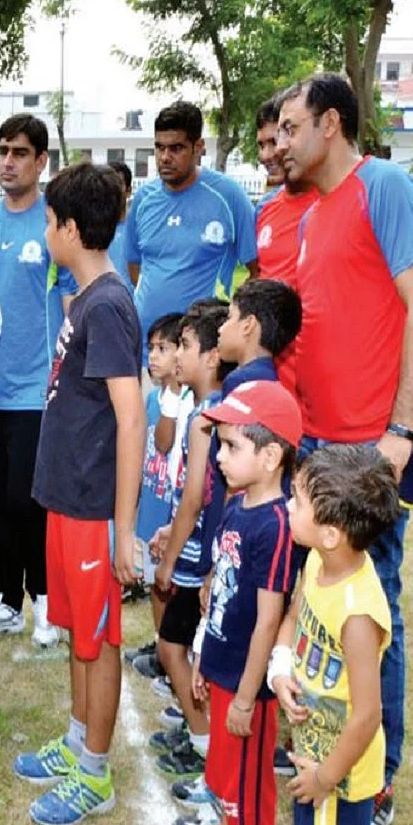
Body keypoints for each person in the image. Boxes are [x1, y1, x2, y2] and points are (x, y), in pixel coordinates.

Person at [277, 72, 413, 825]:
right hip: (321, 443)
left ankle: (375, 784)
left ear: (331, 125)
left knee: (376, 617)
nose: (280, 141)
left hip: (374, 447)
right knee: (321, 605)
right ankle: (322, 739)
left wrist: (400, 430)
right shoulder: (312, 215)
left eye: (291, 127)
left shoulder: (387, 187)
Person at [13, 161, 143, 825]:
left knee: (99, 638)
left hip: (95, 509)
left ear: (68, 227)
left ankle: (95, 772)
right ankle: (75, 742)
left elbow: (130, 415)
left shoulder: (112, 304)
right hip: (66, 498)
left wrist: (123, 527)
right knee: (76, 634)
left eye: (47, 219)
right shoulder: (86, 298)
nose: (44, 230)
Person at [177, 381, 303, 825]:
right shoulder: (236, 503)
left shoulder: (275, 525)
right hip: (223, 673)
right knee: (227, 780)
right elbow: (220, 590)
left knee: (251, 793)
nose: (220, 457)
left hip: (247, 688)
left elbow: (269, 619)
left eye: (232, 446)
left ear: (271, 456)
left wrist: (249, 698)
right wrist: (203, 662)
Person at [271, 443, 402, 825]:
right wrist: (281, 668)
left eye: (298, 501)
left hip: (339, 780)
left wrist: (326, 779)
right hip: (313, 756)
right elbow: (293, 617)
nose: (288, 504)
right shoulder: (315, 561)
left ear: (331, 533)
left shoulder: (358, 614)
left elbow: (367, 715)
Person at [0, 113, 75, 649]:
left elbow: (74, 302)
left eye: (19, 152)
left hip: (37, 389)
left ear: (41, 162)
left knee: (26, 501)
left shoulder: (55, 223)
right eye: (2, 151)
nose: (8, 161)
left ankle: (44, 600)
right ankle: (6, 597)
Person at [150, 302, 232, 778]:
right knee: (181, 647)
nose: (177, 354)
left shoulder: (207, 417)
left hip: (200, 555)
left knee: (173, 647)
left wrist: (171, 555)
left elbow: (195, 496)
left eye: (184, 345)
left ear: (212, 357)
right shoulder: (203, 409)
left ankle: (205, 745)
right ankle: (198, 729)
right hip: (197, 546)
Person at [124, 101, 259, 370]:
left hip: (204, 355)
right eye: (159, 147)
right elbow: (134, 267)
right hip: (147, 353)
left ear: (198, 148)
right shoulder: (143, 199)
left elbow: (256, 270)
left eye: (176, 148)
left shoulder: (228, 196)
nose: (165, 157)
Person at [253, 94, 317, 394]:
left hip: (325, 379)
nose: (268, 154)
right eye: (261, 145)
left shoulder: (338, 200)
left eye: (275, 140)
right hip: (277, 383)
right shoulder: (264, 210)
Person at [128, 312, 186, 611]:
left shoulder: (185, 401)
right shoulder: (151, 400)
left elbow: (164, 442)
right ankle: (157, 643)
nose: (153, 356)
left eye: (163, 348)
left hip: (172, 511)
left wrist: (174, 393)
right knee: (155, 584)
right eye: (150, 348)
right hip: (152, 504)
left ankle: (168, 650)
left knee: (172, 586)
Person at [107, 160, 135, 287]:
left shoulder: (137, 229)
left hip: (131, 304)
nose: (112, 190)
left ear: (128, 190)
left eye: (118, 184)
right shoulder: (90, 231)